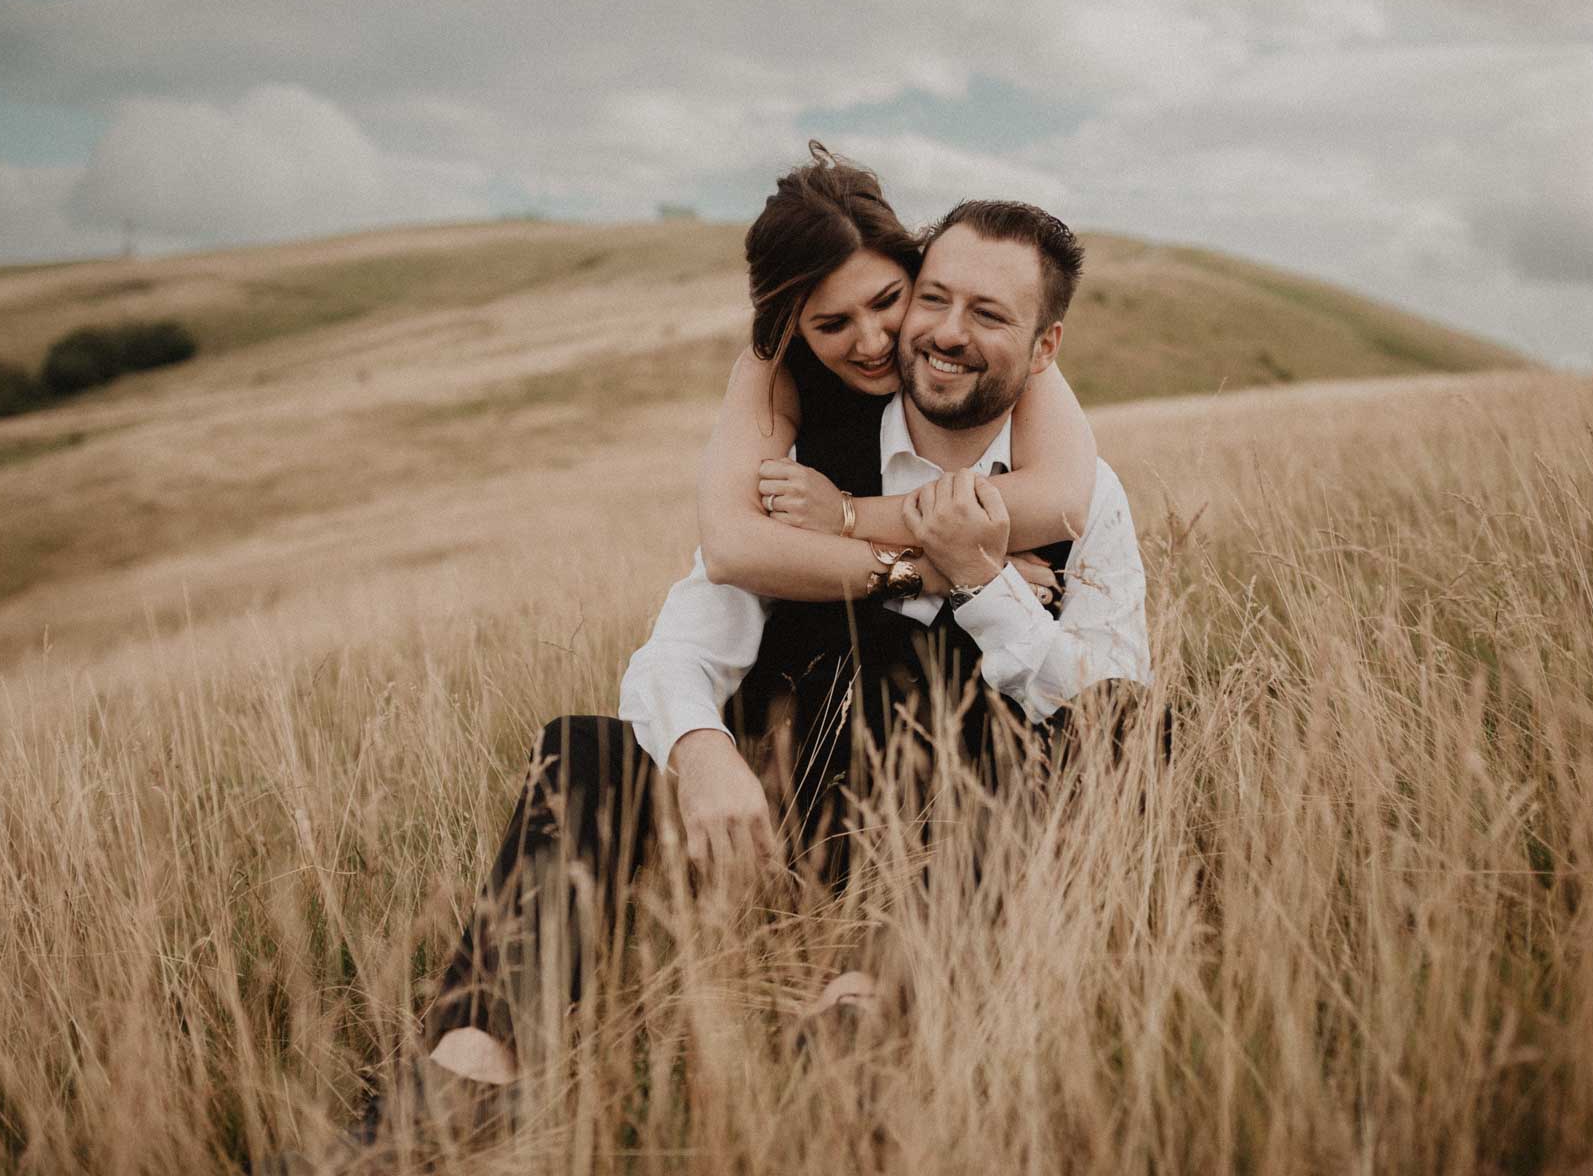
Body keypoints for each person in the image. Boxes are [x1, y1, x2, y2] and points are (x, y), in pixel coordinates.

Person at [410, 188, 1152, 1095]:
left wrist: (986, 586)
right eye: (935, 299)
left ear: (1044, 350)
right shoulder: (797, 480)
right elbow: (680, 648)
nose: (941, 333)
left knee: (1115, 724)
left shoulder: (1085, 497)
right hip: (791, 828)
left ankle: (851, 1026)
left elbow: (1110, 716)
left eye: (990, 314)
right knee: (590, 751)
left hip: (955, 848)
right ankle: (462, 1077)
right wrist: (702, 753)